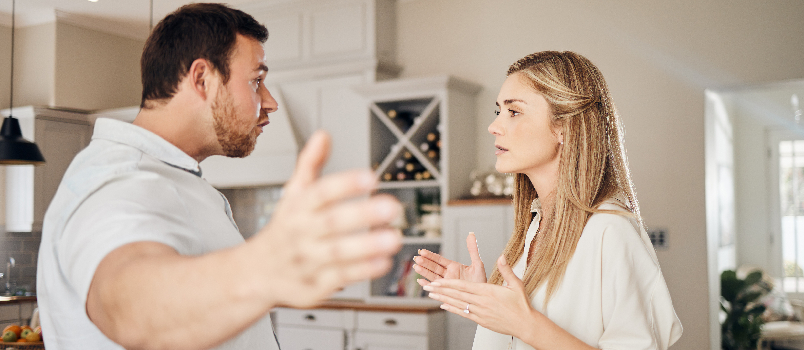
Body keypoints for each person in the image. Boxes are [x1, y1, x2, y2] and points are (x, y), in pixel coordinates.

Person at [36, 3, 402, 350]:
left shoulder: (174, 177)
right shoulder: (121, 180)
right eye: (256, 81)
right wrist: (265, 267)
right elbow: (126, 304)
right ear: (202, 79)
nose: (270, 101)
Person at [413, 51, 683, 349]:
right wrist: (483, 296)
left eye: (513, 112)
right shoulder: (536, 225)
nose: (494, 126)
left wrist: (524, 323)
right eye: (498, 111)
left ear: (564, 128)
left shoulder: (610, 230)